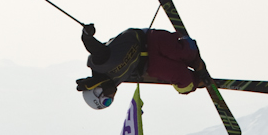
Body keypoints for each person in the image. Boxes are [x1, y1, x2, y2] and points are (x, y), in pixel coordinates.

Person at [76, 23, 208, 109]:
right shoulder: (114, 80)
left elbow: (95, 49)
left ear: (98, 90)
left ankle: (191, 55)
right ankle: (194, 79)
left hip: (149, 40)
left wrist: (87, 36)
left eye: (107, 99)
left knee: (180, 52)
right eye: (110, 102)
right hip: (149, 63)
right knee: (183, 81)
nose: (112, 96)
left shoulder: (101, 64)